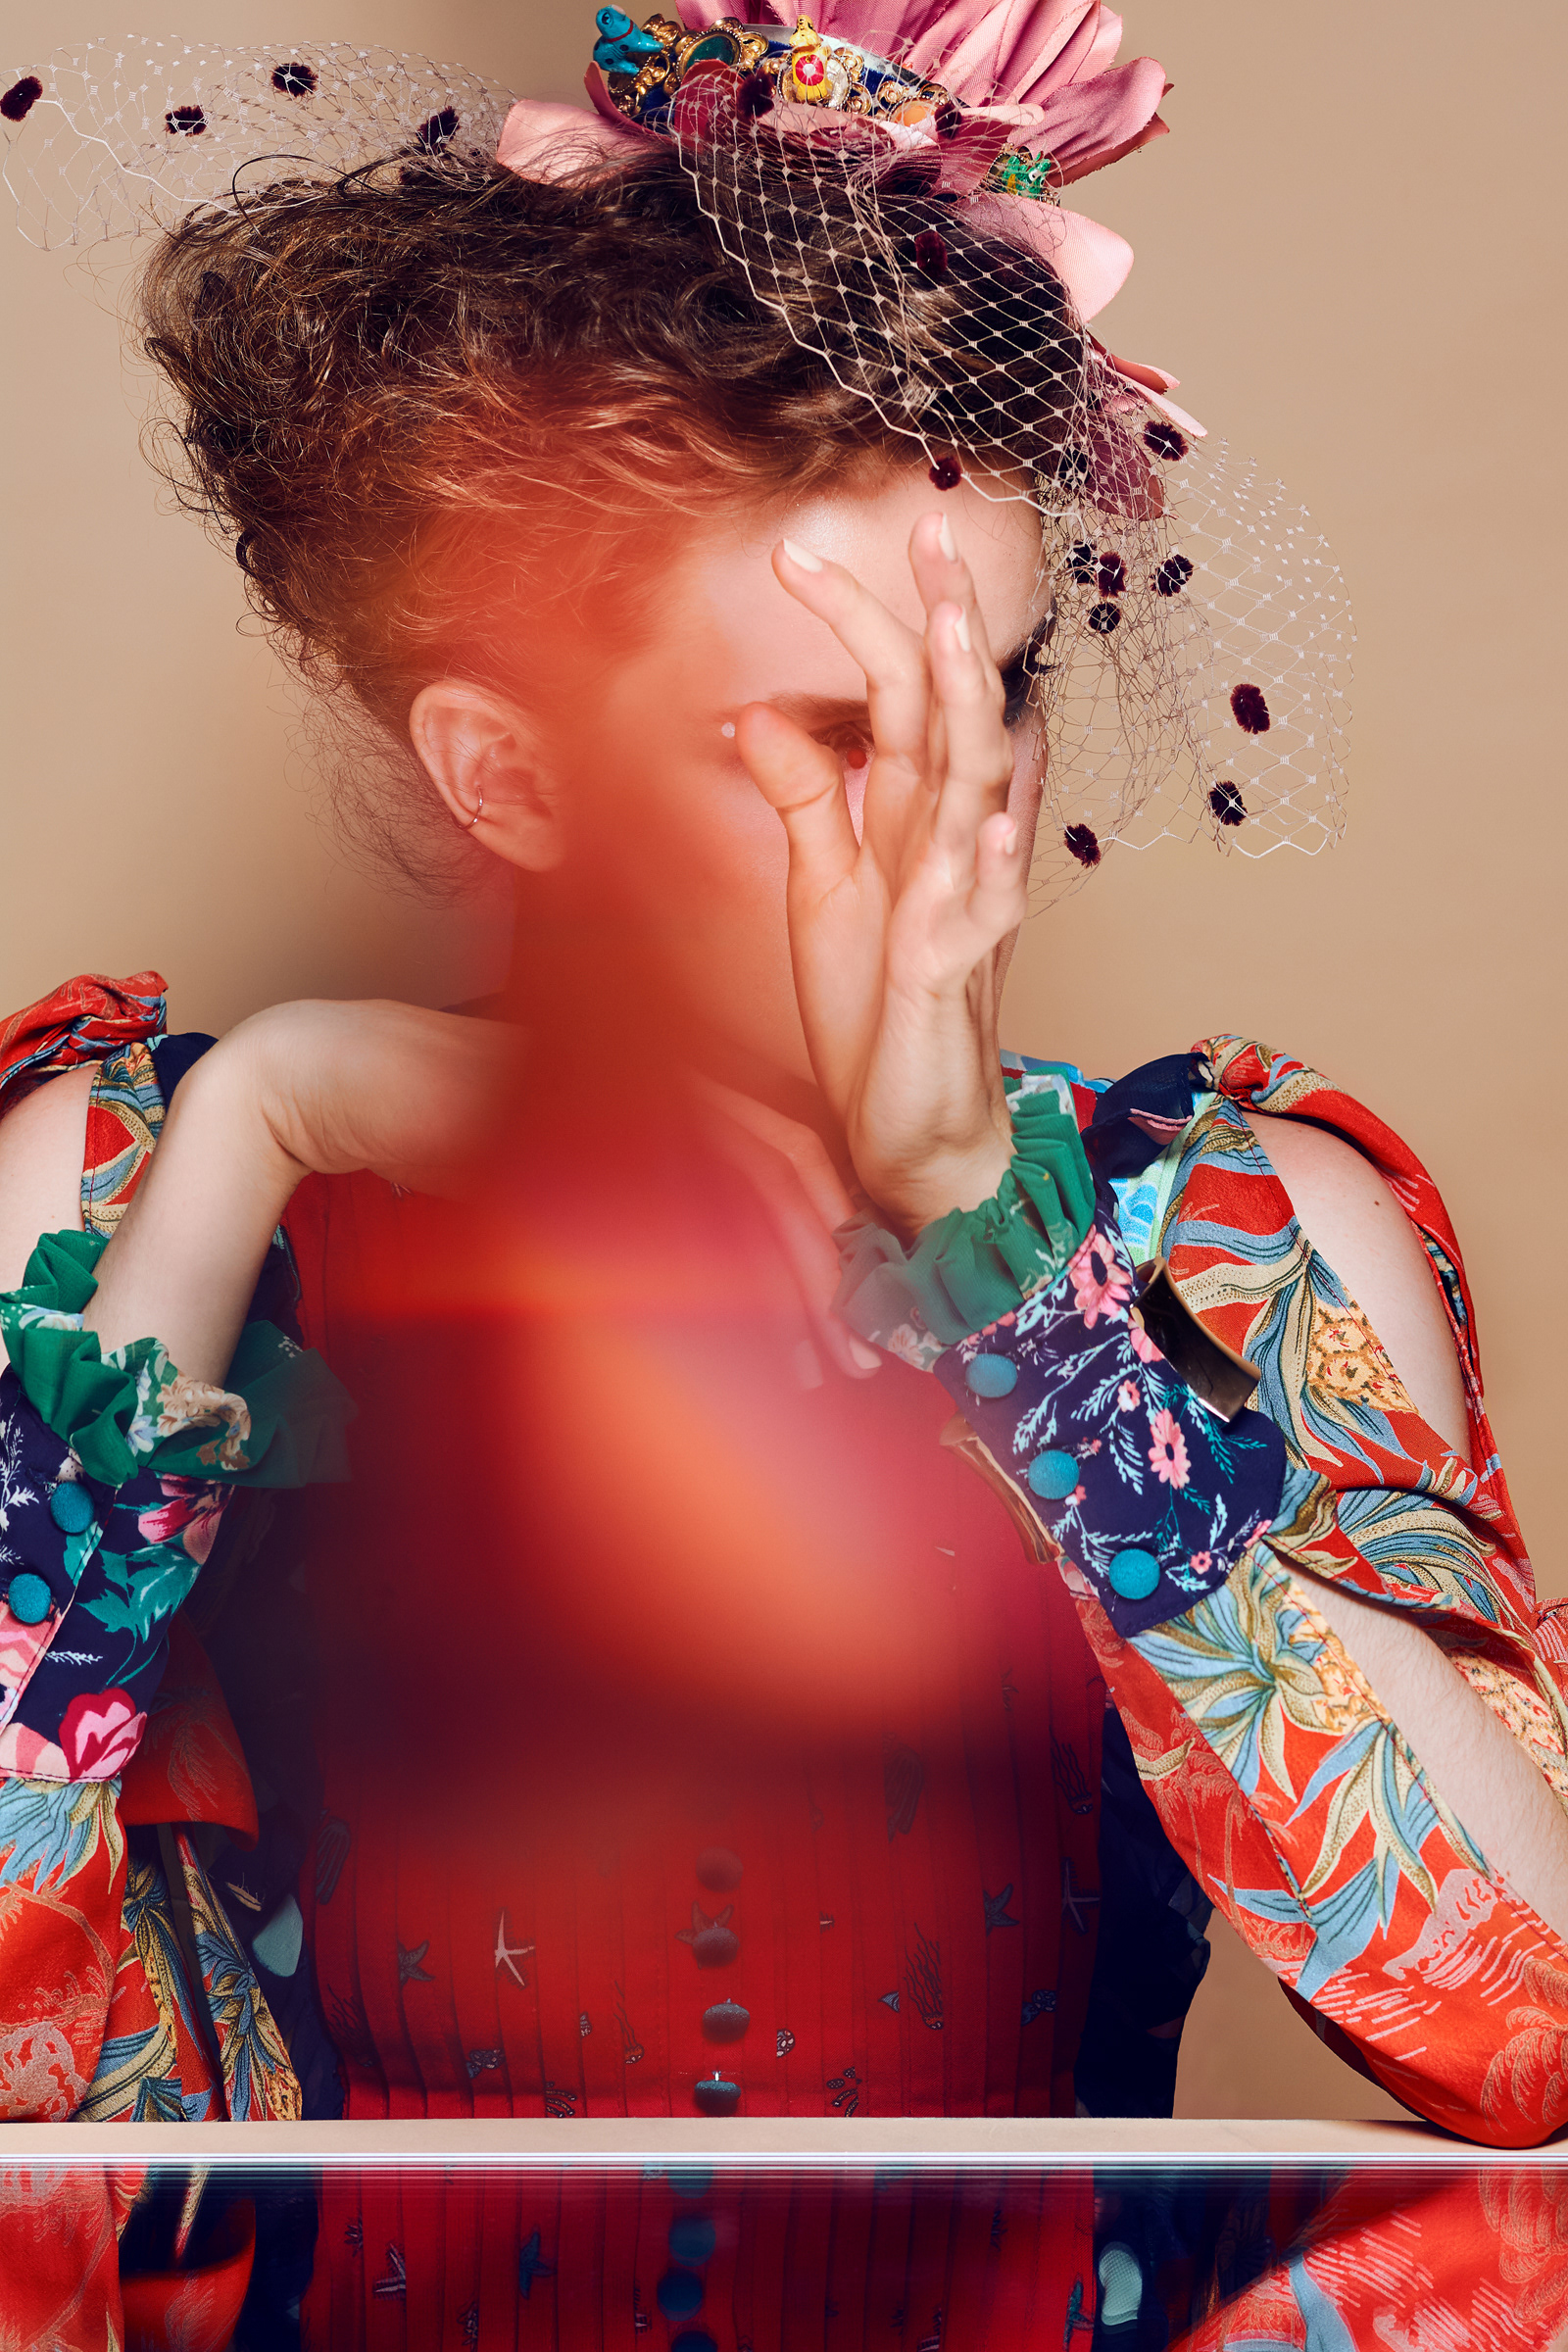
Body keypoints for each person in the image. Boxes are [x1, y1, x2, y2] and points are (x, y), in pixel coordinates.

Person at [2, 0, 1568, 2336]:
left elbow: (1525, 2023)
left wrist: (992, 1247)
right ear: (514, 775)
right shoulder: (134, 1188)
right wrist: (255, 1136)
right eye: (834, 733)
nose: (961, 817)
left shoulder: (1225, 1224)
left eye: (997, 691)